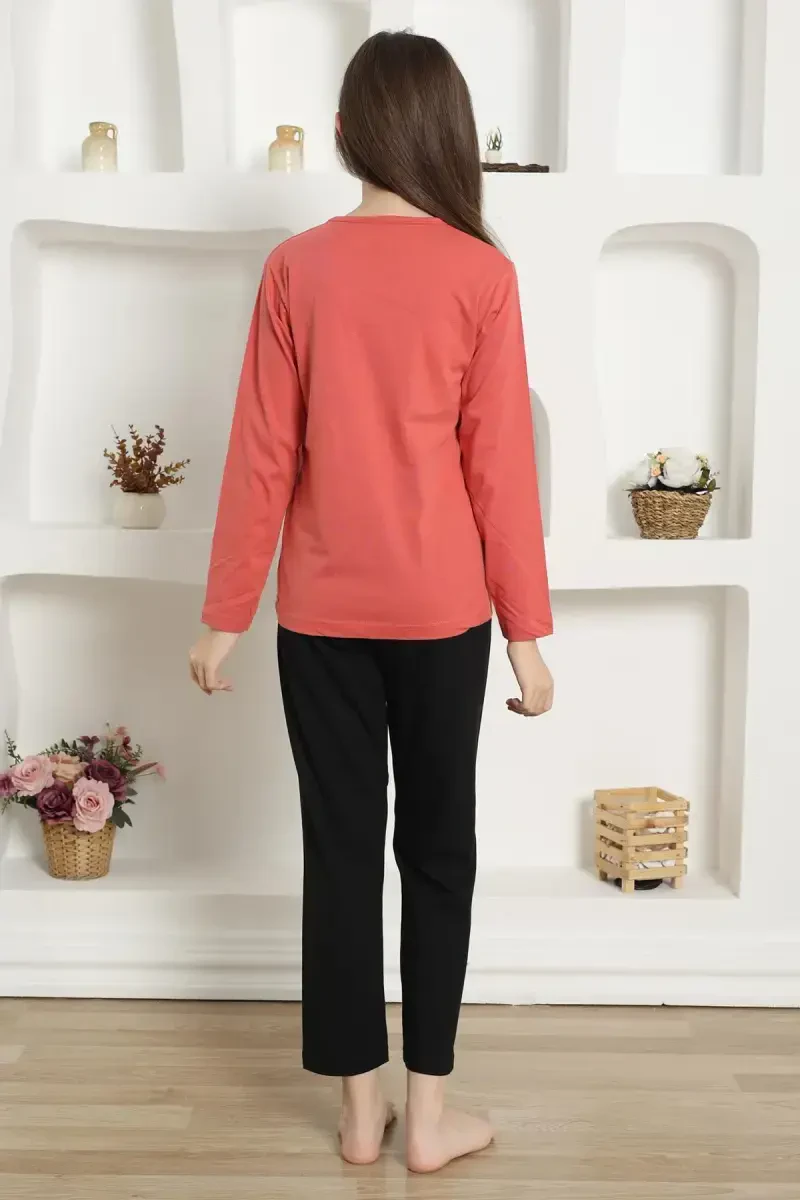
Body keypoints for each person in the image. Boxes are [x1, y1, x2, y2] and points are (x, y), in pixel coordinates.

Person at [190, 29, 553, 1175]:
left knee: (340, 853)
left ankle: (359, 1115)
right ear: (446, 135)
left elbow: (261, 456)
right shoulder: (480, 274)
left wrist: (224, 616)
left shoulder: (296, 268)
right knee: (437, 855)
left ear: (344, 133)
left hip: (318, 621)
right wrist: (527, 638)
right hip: (445, 619)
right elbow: (500, 472)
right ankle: (427, 1124)